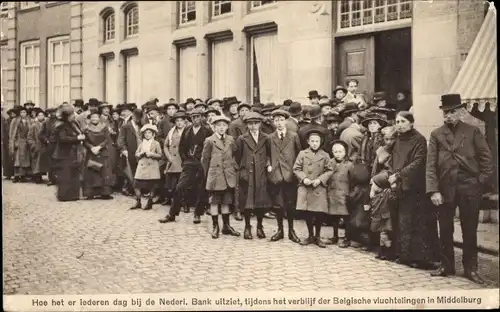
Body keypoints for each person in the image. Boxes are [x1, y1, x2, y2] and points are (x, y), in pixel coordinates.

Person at [427, 94, 493, 284]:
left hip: (469, 187)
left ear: (461, 111)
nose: (449, 115)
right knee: (445, 228)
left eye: (453, 111)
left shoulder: (473, 131)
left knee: (469, 229)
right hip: (445, 188)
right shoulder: (436, 134)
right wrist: (433, 190)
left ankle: (471, 268)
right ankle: (446, 265)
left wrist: (480, 181)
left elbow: (487, 159)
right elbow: (431, 165)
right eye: (446, 112)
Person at [390, 111, 439, 269]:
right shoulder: (397, 139)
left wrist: (399, 174)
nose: (400, 124)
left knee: (418, 223)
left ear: (411, 123)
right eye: (397, 121)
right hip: (401, 186)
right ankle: (405, 255)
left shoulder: (419, 139)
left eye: (403, 121)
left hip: (416, 187)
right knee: (404, 222)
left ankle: (421, 258)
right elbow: (393, 159)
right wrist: (393, 175)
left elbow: (418, 161)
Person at [158, 108, 213, 224]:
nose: (195, 119)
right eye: (193, 117)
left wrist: (204, 161)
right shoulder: (187, 130)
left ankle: (198, 214)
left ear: (201, 117)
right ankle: (172, 214)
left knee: (200, 189)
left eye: (197, 116)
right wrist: (185, 160)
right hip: (189, 163)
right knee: (179, 187)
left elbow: (211, 147)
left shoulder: (207, 131)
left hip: (202, 164)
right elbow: (181, 146)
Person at [201, 115, 240, 239]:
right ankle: (215, 226)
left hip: (228, 175)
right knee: (214, 201)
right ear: (214, 127)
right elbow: (205, 159)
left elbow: (234, 154)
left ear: (227, 127)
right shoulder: (209, 140)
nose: (221, 128)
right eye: (218, 126)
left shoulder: (231, 139)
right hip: (215, 175)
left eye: (224, 125)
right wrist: (209, 173)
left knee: (226, 201)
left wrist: (232, 166)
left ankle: (226, 226)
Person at [266, 109, 302, 243]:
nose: (279, 123)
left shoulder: (293, 136)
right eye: (276, 120)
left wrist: (297, 171)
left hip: (290, 175)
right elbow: (267, 155)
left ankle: (291, 231)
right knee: (278, 205)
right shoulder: (270, 138)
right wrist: (269, 165)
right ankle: (280, 230)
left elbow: (299, 155)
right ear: (273, 122)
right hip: (276, 175)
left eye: (281, 120)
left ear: (286, 121)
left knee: (290, 204)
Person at [234, 112, 272, 239]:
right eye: (250, 124)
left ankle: (260, 227)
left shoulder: (266, 138)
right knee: (247, 203)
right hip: (248, 173)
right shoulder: (242, 139)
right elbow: (237, 157)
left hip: (261, 173)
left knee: (260, 202)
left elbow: (269, 155)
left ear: (260, 124)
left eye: (256, 123)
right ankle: (247, 226)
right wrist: (242, 171)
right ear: (247, 125)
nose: (253, 126)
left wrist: (267, 166)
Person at [293, 129, 333, 248]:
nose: (315, 143)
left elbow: (329, 170)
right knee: (307, 212)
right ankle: (310, 235)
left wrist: (320, 180)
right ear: (308, 142)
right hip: (306, 186)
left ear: (320, 142)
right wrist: (304, 178)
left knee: (319, 213)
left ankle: (318, 236)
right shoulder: (302, 154)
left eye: (317, 141)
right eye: (312, 141)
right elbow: (296, 168)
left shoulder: (325, 155)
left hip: (318, 187)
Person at [52, 104, 85, 201]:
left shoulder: (71, 124)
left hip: (71, 153)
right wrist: (77, 138)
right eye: (71, 114)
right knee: (65, 175)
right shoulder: (61, 125)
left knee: (72, 174)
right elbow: (63, 139)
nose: (74, 116)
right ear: (67, 116)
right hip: (64, 154)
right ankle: (64, 195)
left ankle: (72, 195)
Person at [82, 110, 114, 200]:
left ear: (99, 118)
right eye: (92, 117)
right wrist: (91, 147)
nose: (94, 119)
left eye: (96, 117)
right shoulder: (86, 129)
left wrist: (99, 147)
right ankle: (90, 193)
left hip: (102, 152)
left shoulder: (104, 127)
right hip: (91, 153)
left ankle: (105, 193)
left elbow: (107, 139)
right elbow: (85, 141)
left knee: (104, 172)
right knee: (91, 173)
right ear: (90, 119)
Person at [326, 140, 353, 248]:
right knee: (334, 217)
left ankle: (347, 237)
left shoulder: (349, 165)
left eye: (340, 151)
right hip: (332, 193)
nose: (338, 154)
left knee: (346, 216)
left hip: (344, 193)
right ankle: (335, 236)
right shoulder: (330, 163)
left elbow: (352, 181)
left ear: (345, 152)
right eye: (336, 151)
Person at [130, 124, 163, 210]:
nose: (147, 134)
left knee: (152, 185)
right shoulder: (141, 144)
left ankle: (150, 202)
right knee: (136, 185)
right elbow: (136, 154)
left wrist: (152, 154)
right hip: (142, 167)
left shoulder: (156, 143)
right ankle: (138, 201)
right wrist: (140, 154)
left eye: (149, 133)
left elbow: (160, 155)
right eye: (145, 133)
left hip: (152, 167)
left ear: (153, 134)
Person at [369, 170, 398, 261]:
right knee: (382, 235)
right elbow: (371, 198)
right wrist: (372, 190)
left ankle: (388, 252)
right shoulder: (378, 194)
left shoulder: (387, 193)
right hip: (380, 217)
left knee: (386, 235)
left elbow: (393, 197)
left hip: (386, 217)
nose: (372, 186)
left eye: (374, 185)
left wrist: (393, 188)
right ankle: (382, 251)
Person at [162, 111, 187, 206]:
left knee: (184, 183)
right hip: (173, 160)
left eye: (181, 120)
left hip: (184, 160)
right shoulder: (171, 132)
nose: (179, 123)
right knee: (172, 183)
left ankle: (184, 203)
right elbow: (165, 146)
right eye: (177, 121)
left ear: (185, 121)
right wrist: (169, 157)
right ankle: (172, 201)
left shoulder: (188, 131)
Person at [117, 104, 141, 195]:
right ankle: (127, 188)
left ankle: (137, 189)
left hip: (139, 150)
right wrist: (123, 149)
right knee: (129, 171)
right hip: (129, 150)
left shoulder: (141, 126)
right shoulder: (126, 126)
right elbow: (120, 139)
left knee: (137, 170)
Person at [9, 106, 33, 183]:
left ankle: (23, 176)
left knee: (25, 160)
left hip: (26, 142)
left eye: (24, 112)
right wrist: (14, 142)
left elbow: (31, 132)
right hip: (18, 141)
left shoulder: (29, 121)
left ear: (26, 113)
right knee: (17, 160)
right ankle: (16, 176)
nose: (23, 114)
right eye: (21, 112)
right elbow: (12, 132)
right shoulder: (15, 120)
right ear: (19, 113)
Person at [27, 107, 49, 184]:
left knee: (42, 162)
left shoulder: (46, 124)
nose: (41, 117)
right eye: (39, 115)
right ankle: (37, 177)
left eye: (42, 115)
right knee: (35, 162)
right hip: (36, 146)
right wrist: (33, 145)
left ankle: (41, 175)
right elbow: (29, 137)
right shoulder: (33, 126)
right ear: (37, 117)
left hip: (44, 146)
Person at [2, 107, 16, 180]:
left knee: (14, 158)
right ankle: (8, 174)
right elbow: (4, 131)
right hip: (7, 141)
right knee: (7, 158)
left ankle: (15, 174)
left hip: (14, 141)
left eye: (14, 113)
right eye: (11, 113)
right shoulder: (6, 121)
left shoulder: (16, 121)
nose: (12, 114)